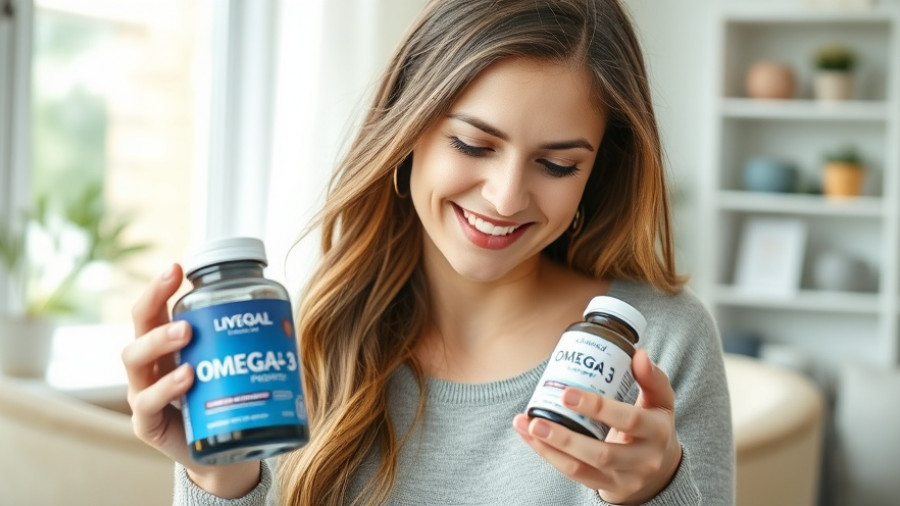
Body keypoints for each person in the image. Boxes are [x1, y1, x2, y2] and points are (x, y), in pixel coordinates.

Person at [124, 0, 734, 504]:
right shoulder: (297, 334)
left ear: (594, 176)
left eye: (556, 164)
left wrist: (657, 492)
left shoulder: (657, 345)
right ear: (407, 131)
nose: (505, 196)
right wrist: (220, 478)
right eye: (472, 144)